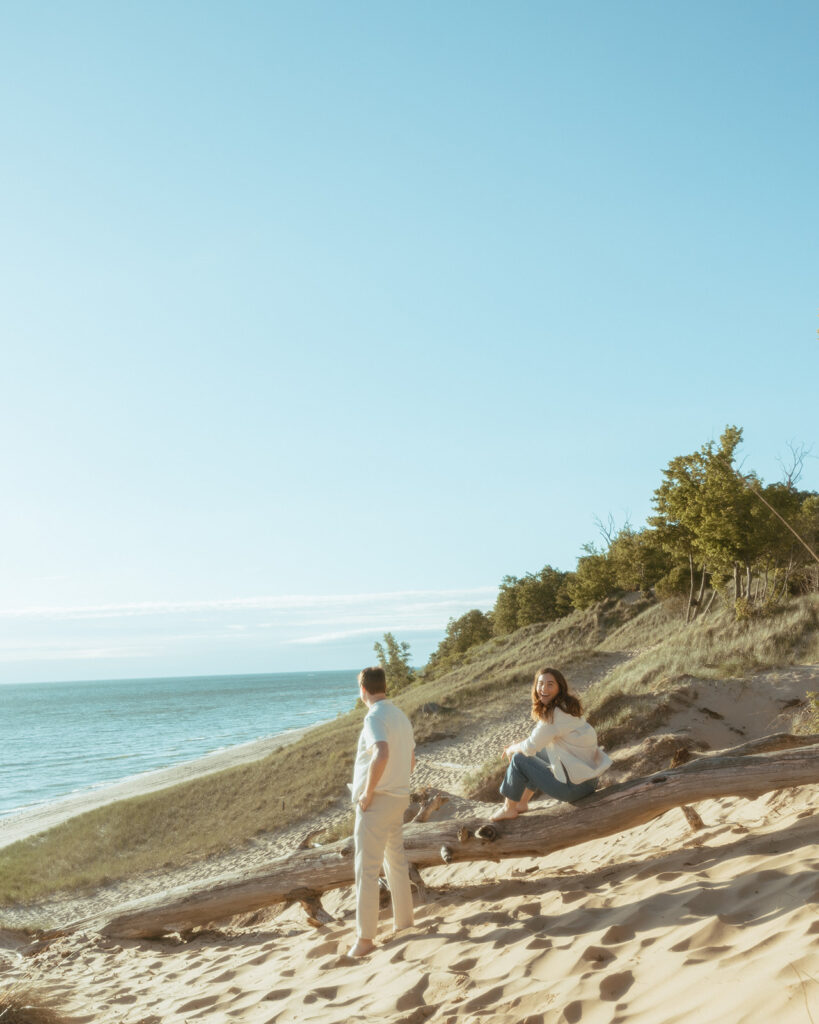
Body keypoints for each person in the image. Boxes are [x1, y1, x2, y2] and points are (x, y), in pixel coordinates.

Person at [349, 665, 416, 957]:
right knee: (395, 861)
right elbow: (411, 760)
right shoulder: (400, 716)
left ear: (363, 690)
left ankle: (365, 940)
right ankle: (405, 923)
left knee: (366, 868)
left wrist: (367, 793)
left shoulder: (374, 716)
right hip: (399, 796)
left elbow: (382, 752)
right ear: (384, 686)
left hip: (378, 800)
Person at [491, 667, 611, 822]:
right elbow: (538, 739)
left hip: (575, 789)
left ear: (559, 687)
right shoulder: (565, 708)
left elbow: (530, 747)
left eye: (550, 684)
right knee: (534, 753)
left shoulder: (554, 716)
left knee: (519, 759)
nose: (543, 689)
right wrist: (519, 744)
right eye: (540, 684)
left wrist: (512, 749)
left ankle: (509, 808)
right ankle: (521, 803)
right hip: (588, 780)